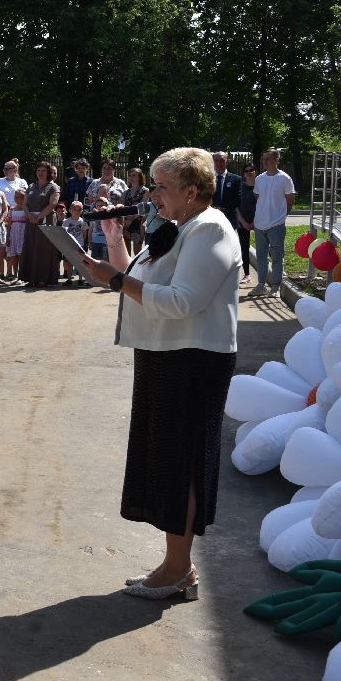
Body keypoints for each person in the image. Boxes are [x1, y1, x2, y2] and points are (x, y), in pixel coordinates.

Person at [80, 147, 240, 601]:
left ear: (192, 191)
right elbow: (139, 276)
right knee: (165, 460)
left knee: (182, 463)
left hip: (193, 360)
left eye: (161, 186)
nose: (152, 193)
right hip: (163, 354)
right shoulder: (177, 228)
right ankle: (174, 564)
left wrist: (115, 280)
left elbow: (181, 300)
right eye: (152, 184)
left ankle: (178, 570)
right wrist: (113, 240)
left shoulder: (209, 228)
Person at [250, 149, 295, 298]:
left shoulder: (285, 178)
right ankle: (261, 285)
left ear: (277, 160)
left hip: (276, 224)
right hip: (259, 224)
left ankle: (275, 286)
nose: (265, 162)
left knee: (276, 256)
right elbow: (258, 197)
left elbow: (290, 199)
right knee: (261, 256)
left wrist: (282, 216)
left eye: (268, 159)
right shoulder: (260, 179)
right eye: (264, 159)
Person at [18, 161, 63, 287]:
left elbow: (53, 204)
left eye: (43, 171)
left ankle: (43, 279)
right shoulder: (31, 186)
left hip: (46, 221)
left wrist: (38, 217)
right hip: (31, 221)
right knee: (31, 248)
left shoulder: (53, 187)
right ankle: (31, 278)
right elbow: (24, 204)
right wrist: (30, 217)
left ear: (48, 172)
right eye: (39, 170)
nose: (41, 173)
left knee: (44, 250)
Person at [210, 153, 244, 273]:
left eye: (222, 160)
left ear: (227, 161)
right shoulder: (208, 179)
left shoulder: (236, 179)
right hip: (211, 218)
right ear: (213, 162)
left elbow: (238, 198)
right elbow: (204, 197)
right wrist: (213, 208)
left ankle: (229, 270)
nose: (219, 163)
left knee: (229, 246)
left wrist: (223, 208)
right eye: (217, 160)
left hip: (229, 218)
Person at [237, 164, 258, 283]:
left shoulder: (260, 187)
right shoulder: (240, 187)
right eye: (246, 171)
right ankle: (247, 274)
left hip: (259, 221)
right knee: (244, 247)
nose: (249, 172)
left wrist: (255, 221)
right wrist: (243, 222)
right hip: (243, 221)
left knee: (264, 247)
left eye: (252, 170)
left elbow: (262, 205)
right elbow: (236, 206)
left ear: (256, 171)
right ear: (244, 173)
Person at [123, 167, 149, 257]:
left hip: (138, 224)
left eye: (134, 175)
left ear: (139, 177)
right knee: (126, 253)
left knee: (137, 253)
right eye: (129, 175)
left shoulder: (145, 191)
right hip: (126, 224)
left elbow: (142, 208)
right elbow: (122, 208)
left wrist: (131, 219)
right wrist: (126, 220)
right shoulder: (125, 192)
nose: (131, 177)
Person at [60, 201, 87, 284]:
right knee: (69, 263)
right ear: (70, 210)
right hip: (69, 245)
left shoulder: (83, 221)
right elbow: (63, 233)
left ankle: (80, 279)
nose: (76, 211)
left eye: (79, 210)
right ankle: (69, 279)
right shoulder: (66, 222)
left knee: (80, 263)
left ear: (81, 211)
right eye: (74, 209)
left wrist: (82, 242)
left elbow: (84, 234)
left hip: (80, 244)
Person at [6, 189, 29, 280]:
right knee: (14, 256)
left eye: (19, 197)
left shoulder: (26, 209)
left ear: (24, 198)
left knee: (21, 255)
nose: (16, 199)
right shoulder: (12, 209)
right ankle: (15, 275)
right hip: (14, 234)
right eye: (15, 197)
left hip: (23, 234)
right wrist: (7, 236)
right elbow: (9, 224)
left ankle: (22, 276)